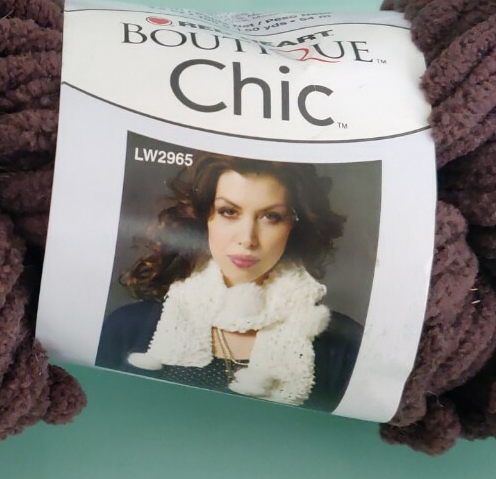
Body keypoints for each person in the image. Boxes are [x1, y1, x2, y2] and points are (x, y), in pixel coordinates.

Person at [96, 154, 363, 412]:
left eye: (271, 216)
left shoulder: (344, 345)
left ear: (294, 226)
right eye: (229, 211)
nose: (247, 239)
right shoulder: (128, 327)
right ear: (205, 218)